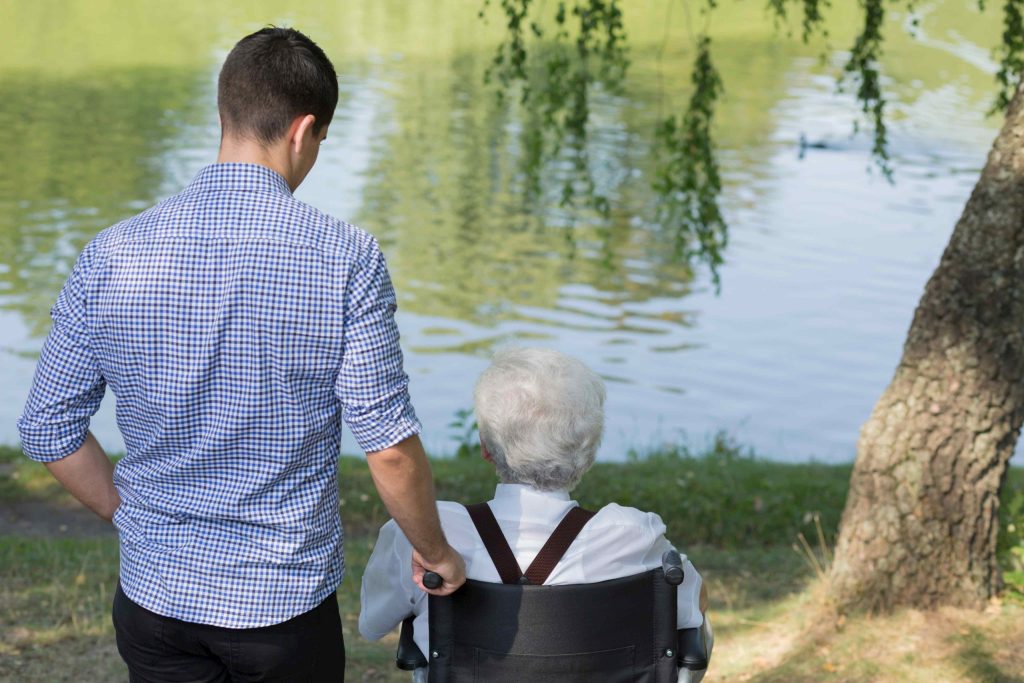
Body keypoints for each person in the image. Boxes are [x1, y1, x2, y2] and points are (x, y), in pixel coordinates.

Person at [16, 27, 465, 681]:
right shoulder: (346, 258)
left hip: (154, 599)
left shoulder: (112, 253)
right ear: (304, 130)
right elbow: (388, 446)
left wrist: (131, 513)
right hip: (279, 607)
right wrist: (434, 552)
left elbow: (48, 426)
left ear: (224, 113)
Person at [359, 348, 711, 680]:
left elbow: (373, 625)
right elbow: (693, 603)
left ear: (486, 447)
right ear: (588, 454)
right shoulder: (632, 535)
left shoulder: (428, 532)